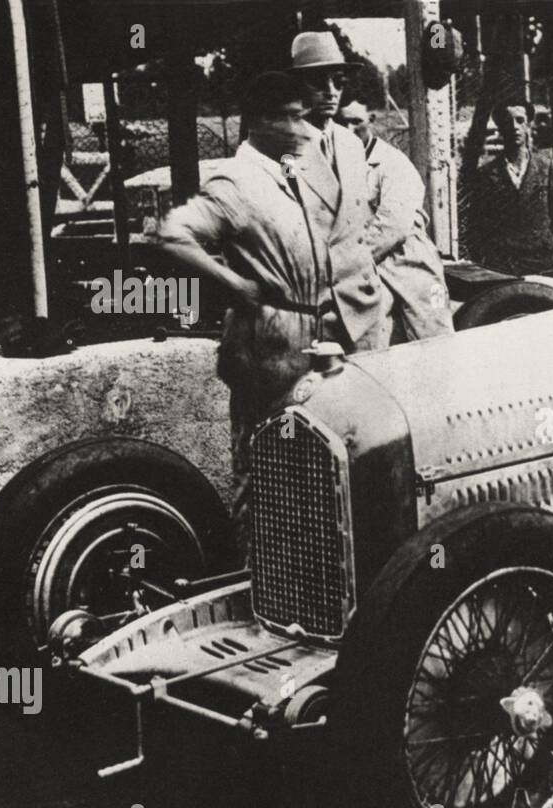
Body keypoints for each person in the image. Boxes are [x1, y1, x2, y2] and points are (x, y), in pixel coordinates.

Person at [158, 72, 386, 554]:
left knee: (317, 466)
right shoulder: (236, 180)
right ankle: (253, 579)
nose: (305, 131)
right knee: (264, 468)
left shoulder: (289, 170)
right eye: (294, 119)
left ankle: (310, 578)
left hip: (314, 336)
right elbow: (174, 235)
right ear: (260, 122)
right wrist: (235, 284)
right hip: (268, 346)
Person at [288, 30, 395, 351]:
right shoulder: (278, 146)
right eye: (318, 83)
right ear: (297, 87)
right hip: (310, 311)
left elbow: (359, 220)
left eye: (337, 81)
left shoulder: (350, 144)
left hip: (362, 306)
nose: (331, 92)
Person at [342, 102, 454, 342]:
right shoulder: (339, 161)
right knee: (365, 337)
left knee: (433, 332)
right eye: (342, 123)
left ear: (371, 119)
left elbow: (393, 225)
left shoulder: (393, 162)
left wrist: (349, 262)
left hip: (408, 257)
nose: (349, 130)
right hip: (368, 264)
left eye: (356, 122)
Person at [468, 100, 553, 275]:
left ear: (528, 125)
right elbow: (477, 221)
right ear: (500, 128)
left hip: (542, 259)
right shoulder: (487, 173)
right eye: (508, 122)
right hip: (504, 262)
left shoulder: (549, 165)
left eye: (520, 120)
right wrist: (485, 256)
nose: (515, 127)